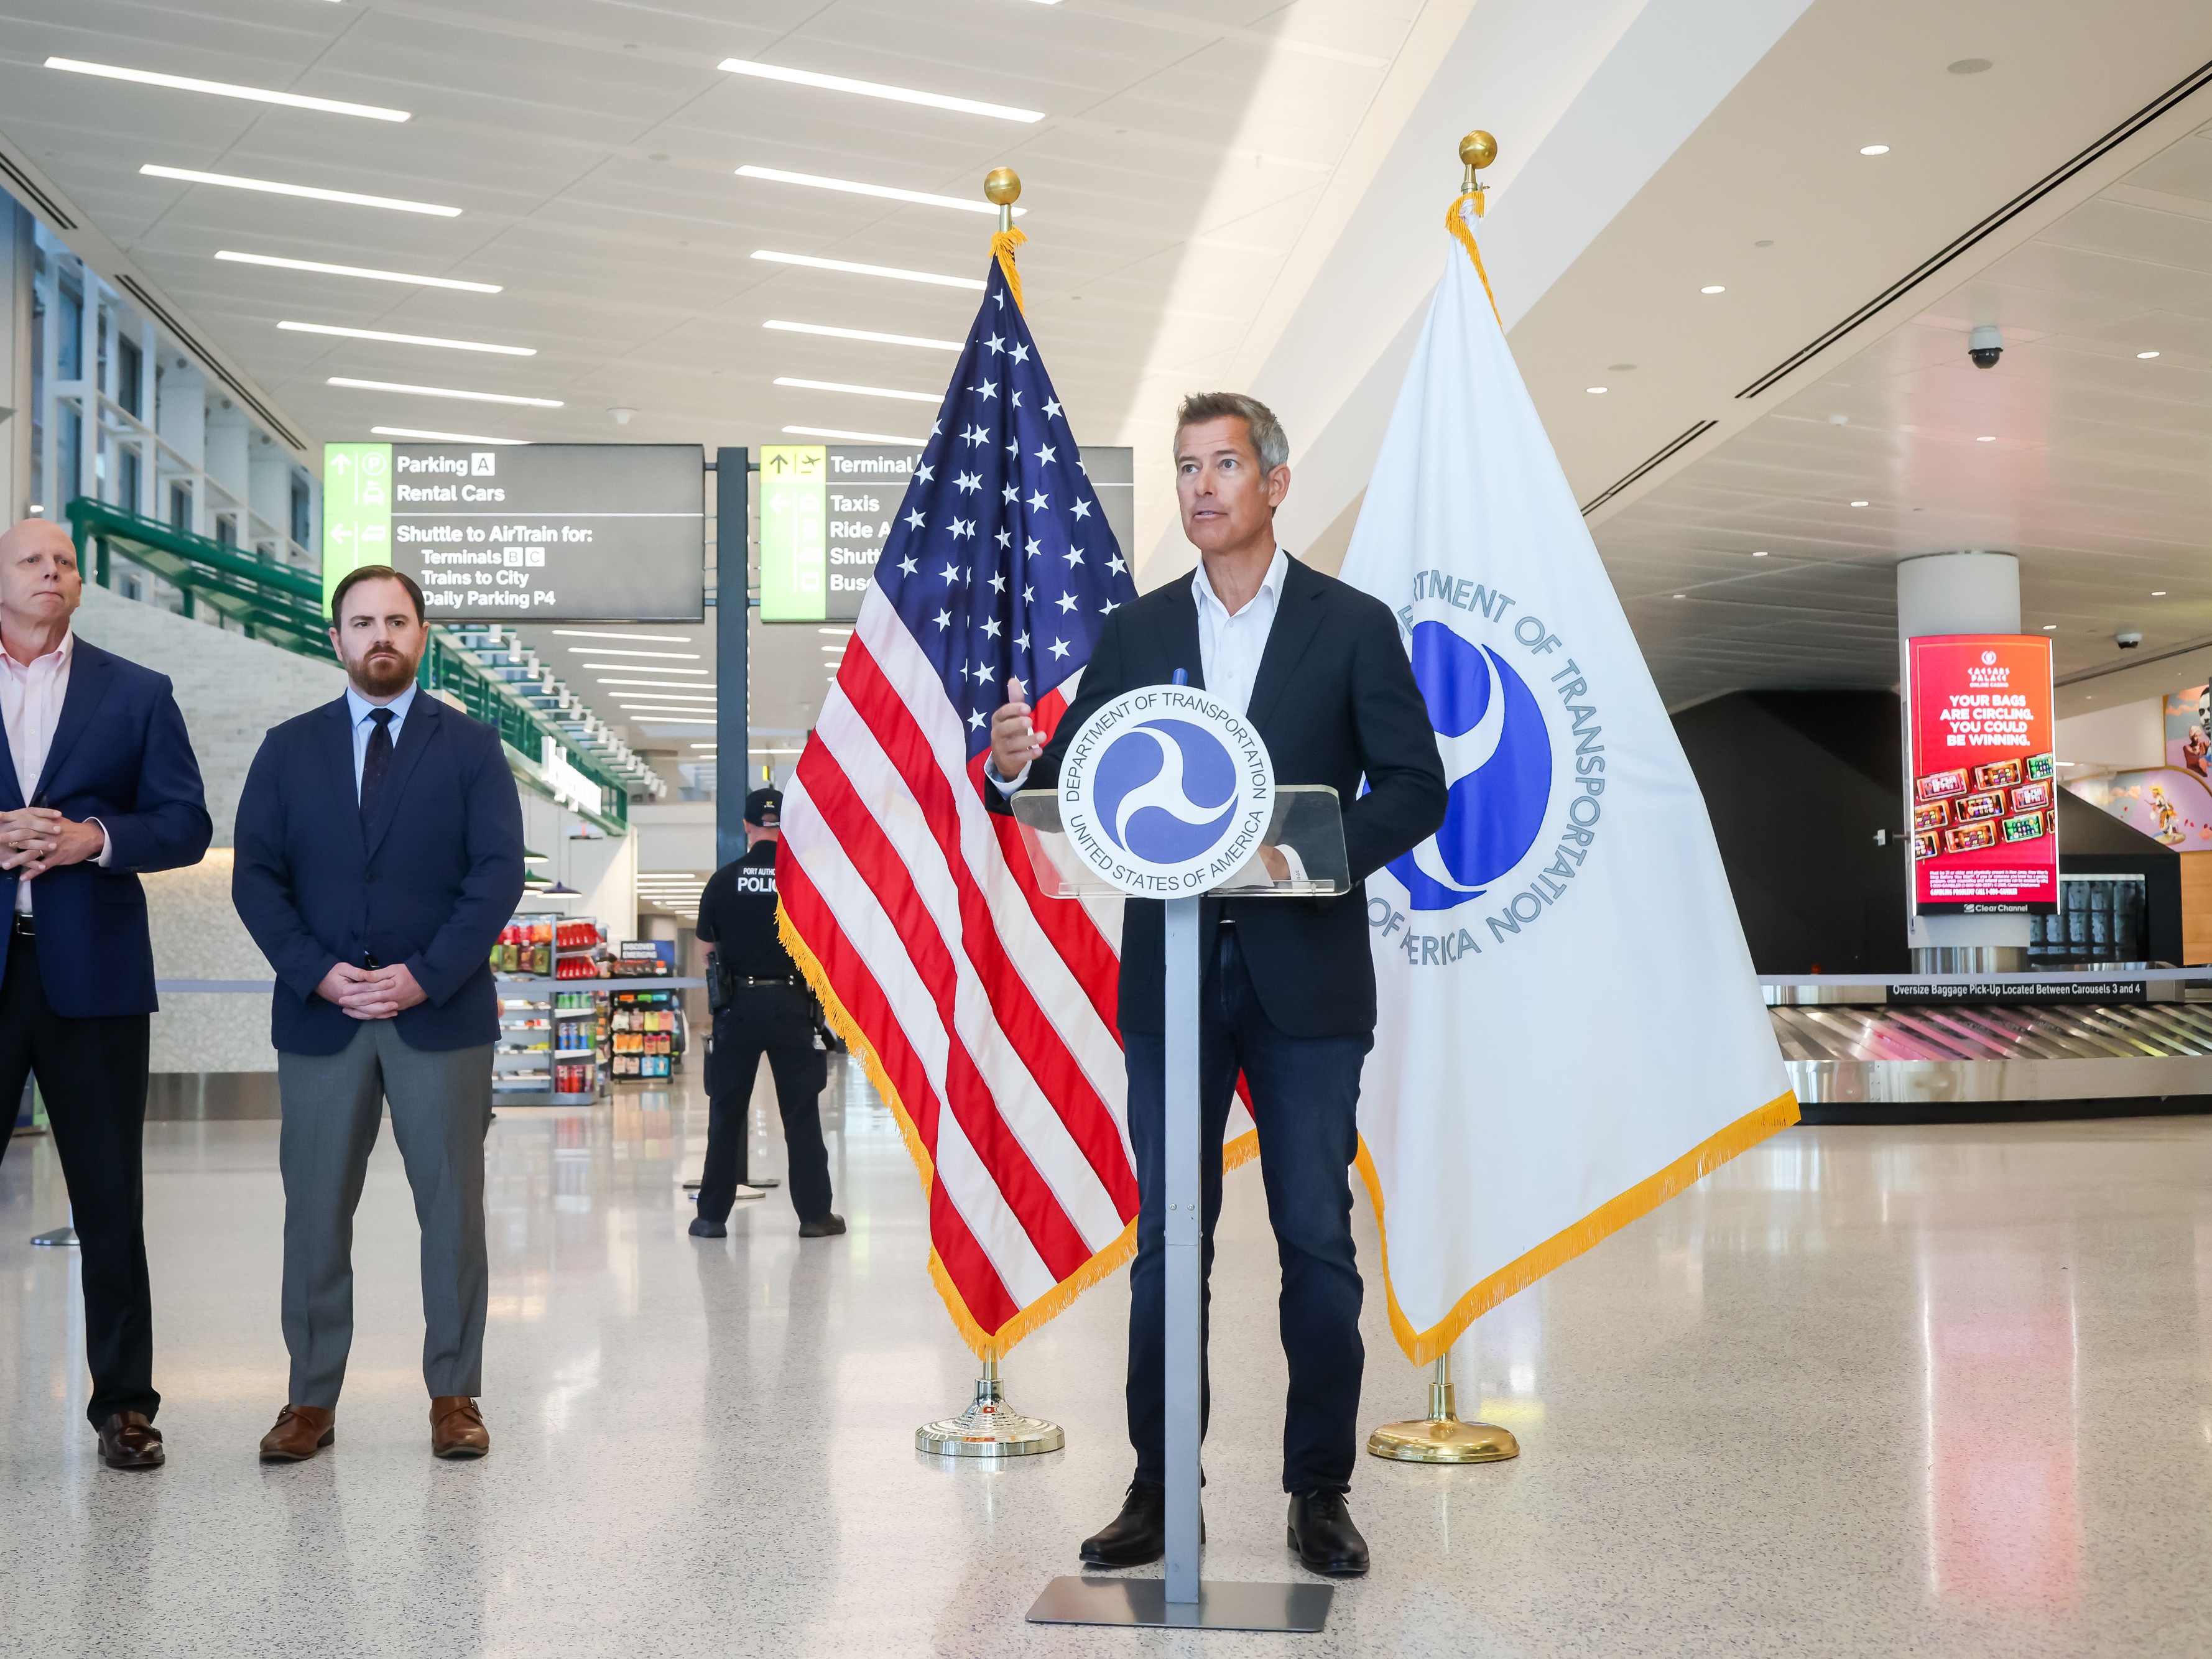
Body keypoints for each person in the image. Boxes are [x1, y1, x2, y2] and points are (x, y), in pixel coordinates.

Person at [986, 394, 1446, 1578]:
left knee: (1314, 1241)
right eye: (1186, 467)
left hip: (1308, 982)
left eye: (1224, 464)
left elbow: (1415, 785)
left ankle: (1319, 1489)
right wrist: (1011, 771)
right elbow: (1076, 791)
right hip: (1174, 980)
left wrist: (1303, 854)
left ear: (1276, 483)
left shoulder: (1351, 625)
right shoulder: (1136, 635)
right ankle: (1156, 1486)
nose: (1200, 486)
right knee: (1167, 1246)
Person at [232, 565, 524, 1463]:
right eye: (363, 623)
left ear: (422, 636)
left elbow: (495, 876)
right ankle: (310, 1401)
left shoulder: (472, 746)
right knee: (314, 1212)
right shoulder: (288, 748)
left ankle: (454, 1394)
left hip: (439, 1016)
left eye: (397, 621)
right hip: (322, 1020)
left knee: (452, 1211)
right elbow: (257, 877)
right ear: (336, 640)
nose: (380, 636)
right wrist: (319, 973)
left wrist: (424, 975)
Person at [0, 518, 213, 1471]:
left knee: (110, 1200)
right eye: (33, 560)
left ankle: (125, 1405)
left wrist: (96, 840)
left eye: (67, 562)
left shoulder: (136, 693)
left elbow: (186, 823)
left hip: (96, 980)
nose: (55, 571)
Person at [690, 787, 843, 1240]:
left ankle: (711, 1217)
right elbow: (823, 945)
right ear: (787, 825)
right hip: (791, 1007)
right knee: (800, 1115)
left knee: (726, 1112)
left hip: (736, 1008)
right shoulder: (805, 879)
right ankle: (815, 1217)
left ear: (746, 825)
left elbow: (706, 953)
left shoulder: (722, 881)